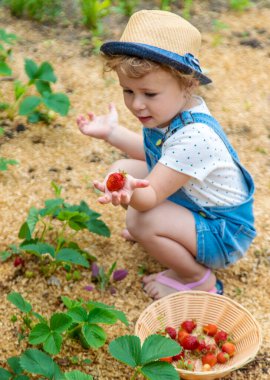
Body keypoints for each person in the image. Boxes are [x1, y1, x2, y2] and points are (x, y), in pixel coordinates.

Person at [77, 10, 256, 300]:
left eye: (149, 94)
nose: (137, 104)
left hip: (223, 234)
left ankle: (197, 278)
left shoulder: (194, 137)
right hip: (198, 208)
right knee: (125, 167)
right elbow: (153, 156)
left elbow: (148, 197)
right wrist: (112, 133)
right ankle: (168, 238)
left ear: (188, 84)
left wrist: (129, 189)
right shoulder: (170, 111)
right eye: (128, 91)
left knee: (140, 218)